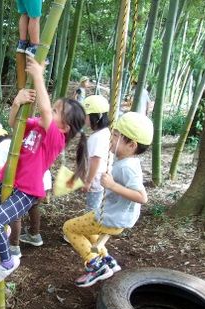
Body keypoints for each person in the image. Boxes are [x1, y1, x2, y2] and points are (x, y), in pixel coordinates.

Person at [0, 57, 88, 285]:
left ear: (64, 127)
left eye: (55, 111)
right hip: (9, 182)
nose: (48, 112)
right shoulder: (37, 126)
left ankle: (7, 262)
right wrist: (16, 103)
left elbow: (43, 109)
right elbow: (15, 124)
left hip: (26, 191)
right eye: (51, 109)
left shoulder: (55, 137)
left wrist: (38, 76)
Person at [63, 111, 153, 288]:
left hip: (111, 217)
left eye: (117, 136)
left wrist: (112, 186)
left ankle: (95, 266)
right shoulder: (128, 161)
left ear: (131, 145)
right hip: (115, 216)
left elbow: (142, 197)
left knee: (69, 228)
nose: (111, 138)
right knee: (88, 231)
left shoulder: (128, 167)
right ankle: (108, 261)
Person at [0, 128, 52, 259]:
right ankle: (34, 235)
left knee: (14, 213)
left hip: (27, 181)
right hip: (42, 180)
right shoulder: (19, 140)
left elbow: (2, 174)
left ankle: (13, 247)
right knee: (33, 206)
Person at [82, 95, 111, 212]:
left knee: (92, 210)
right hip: (102, 179)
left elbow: (96, 161)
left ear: (96, 117)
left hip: (96, 181)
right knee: (98, 207)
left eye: (86, 115)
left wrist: (88, 181)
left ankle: (91, 228)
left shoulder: (96, 138)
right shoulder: (106, 132)